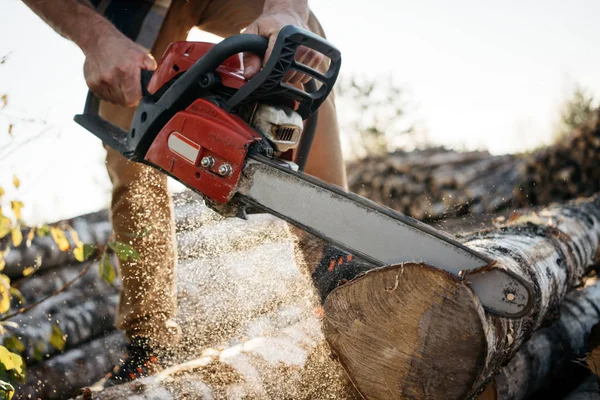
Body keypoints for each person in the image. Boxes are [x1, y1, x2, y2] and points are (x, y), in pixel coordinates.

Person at [22, 0, 346, 388]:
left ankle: (335, 256)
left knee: (296, 41)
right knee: (133, 151)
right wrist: (96, 39)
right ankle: (150, 342)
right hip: (128, 12)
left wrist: (286, 11)